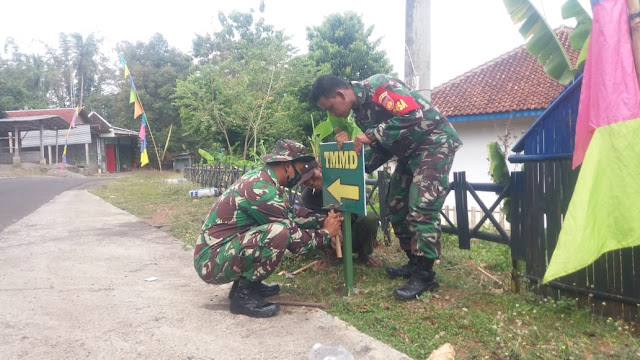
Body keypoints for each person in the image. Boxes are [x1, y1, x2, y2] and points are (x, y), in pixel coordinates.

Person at [310, 74, 462, 301]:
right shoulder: (360, 111)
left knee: (422, 207)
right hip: (409, 152)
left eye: (330, 108)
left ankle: (425, 274)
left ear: (341, 94)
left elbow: (412, 114)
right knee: (395, 205)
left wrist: (369, 135)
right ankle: (414, 262)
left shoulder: (378, 87)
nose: (332, 114)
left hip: (434, 142)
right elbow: (383, 146)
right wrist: (354, 158)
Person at [193, 139, 343, 318]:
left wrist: (323, 220)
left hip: (220, 253)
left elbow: (291, 214)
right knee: (279, 233)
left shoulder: (263, 179)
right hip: (211, 263)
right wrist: (326, 234)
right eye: (301, 171)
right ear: (288, 166)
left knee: (277, 229)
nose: (302, 180)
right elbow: (295, 242)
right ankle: (244, 297)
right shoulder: (261, 189)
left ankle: (249, 285)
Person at [298, 163, 381, 268]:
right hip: (332, 238)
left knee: (370, 217)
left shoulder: (342, 180)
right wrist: (330, 230)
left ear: (320, 167)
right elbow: (314, 222)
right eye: (304, 181)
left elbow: (361, 205)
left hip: (353, 231)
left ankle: (365, 253)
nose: (310, 182)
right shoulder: (308, 196)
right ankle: (331, 256)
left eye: (312, 176)